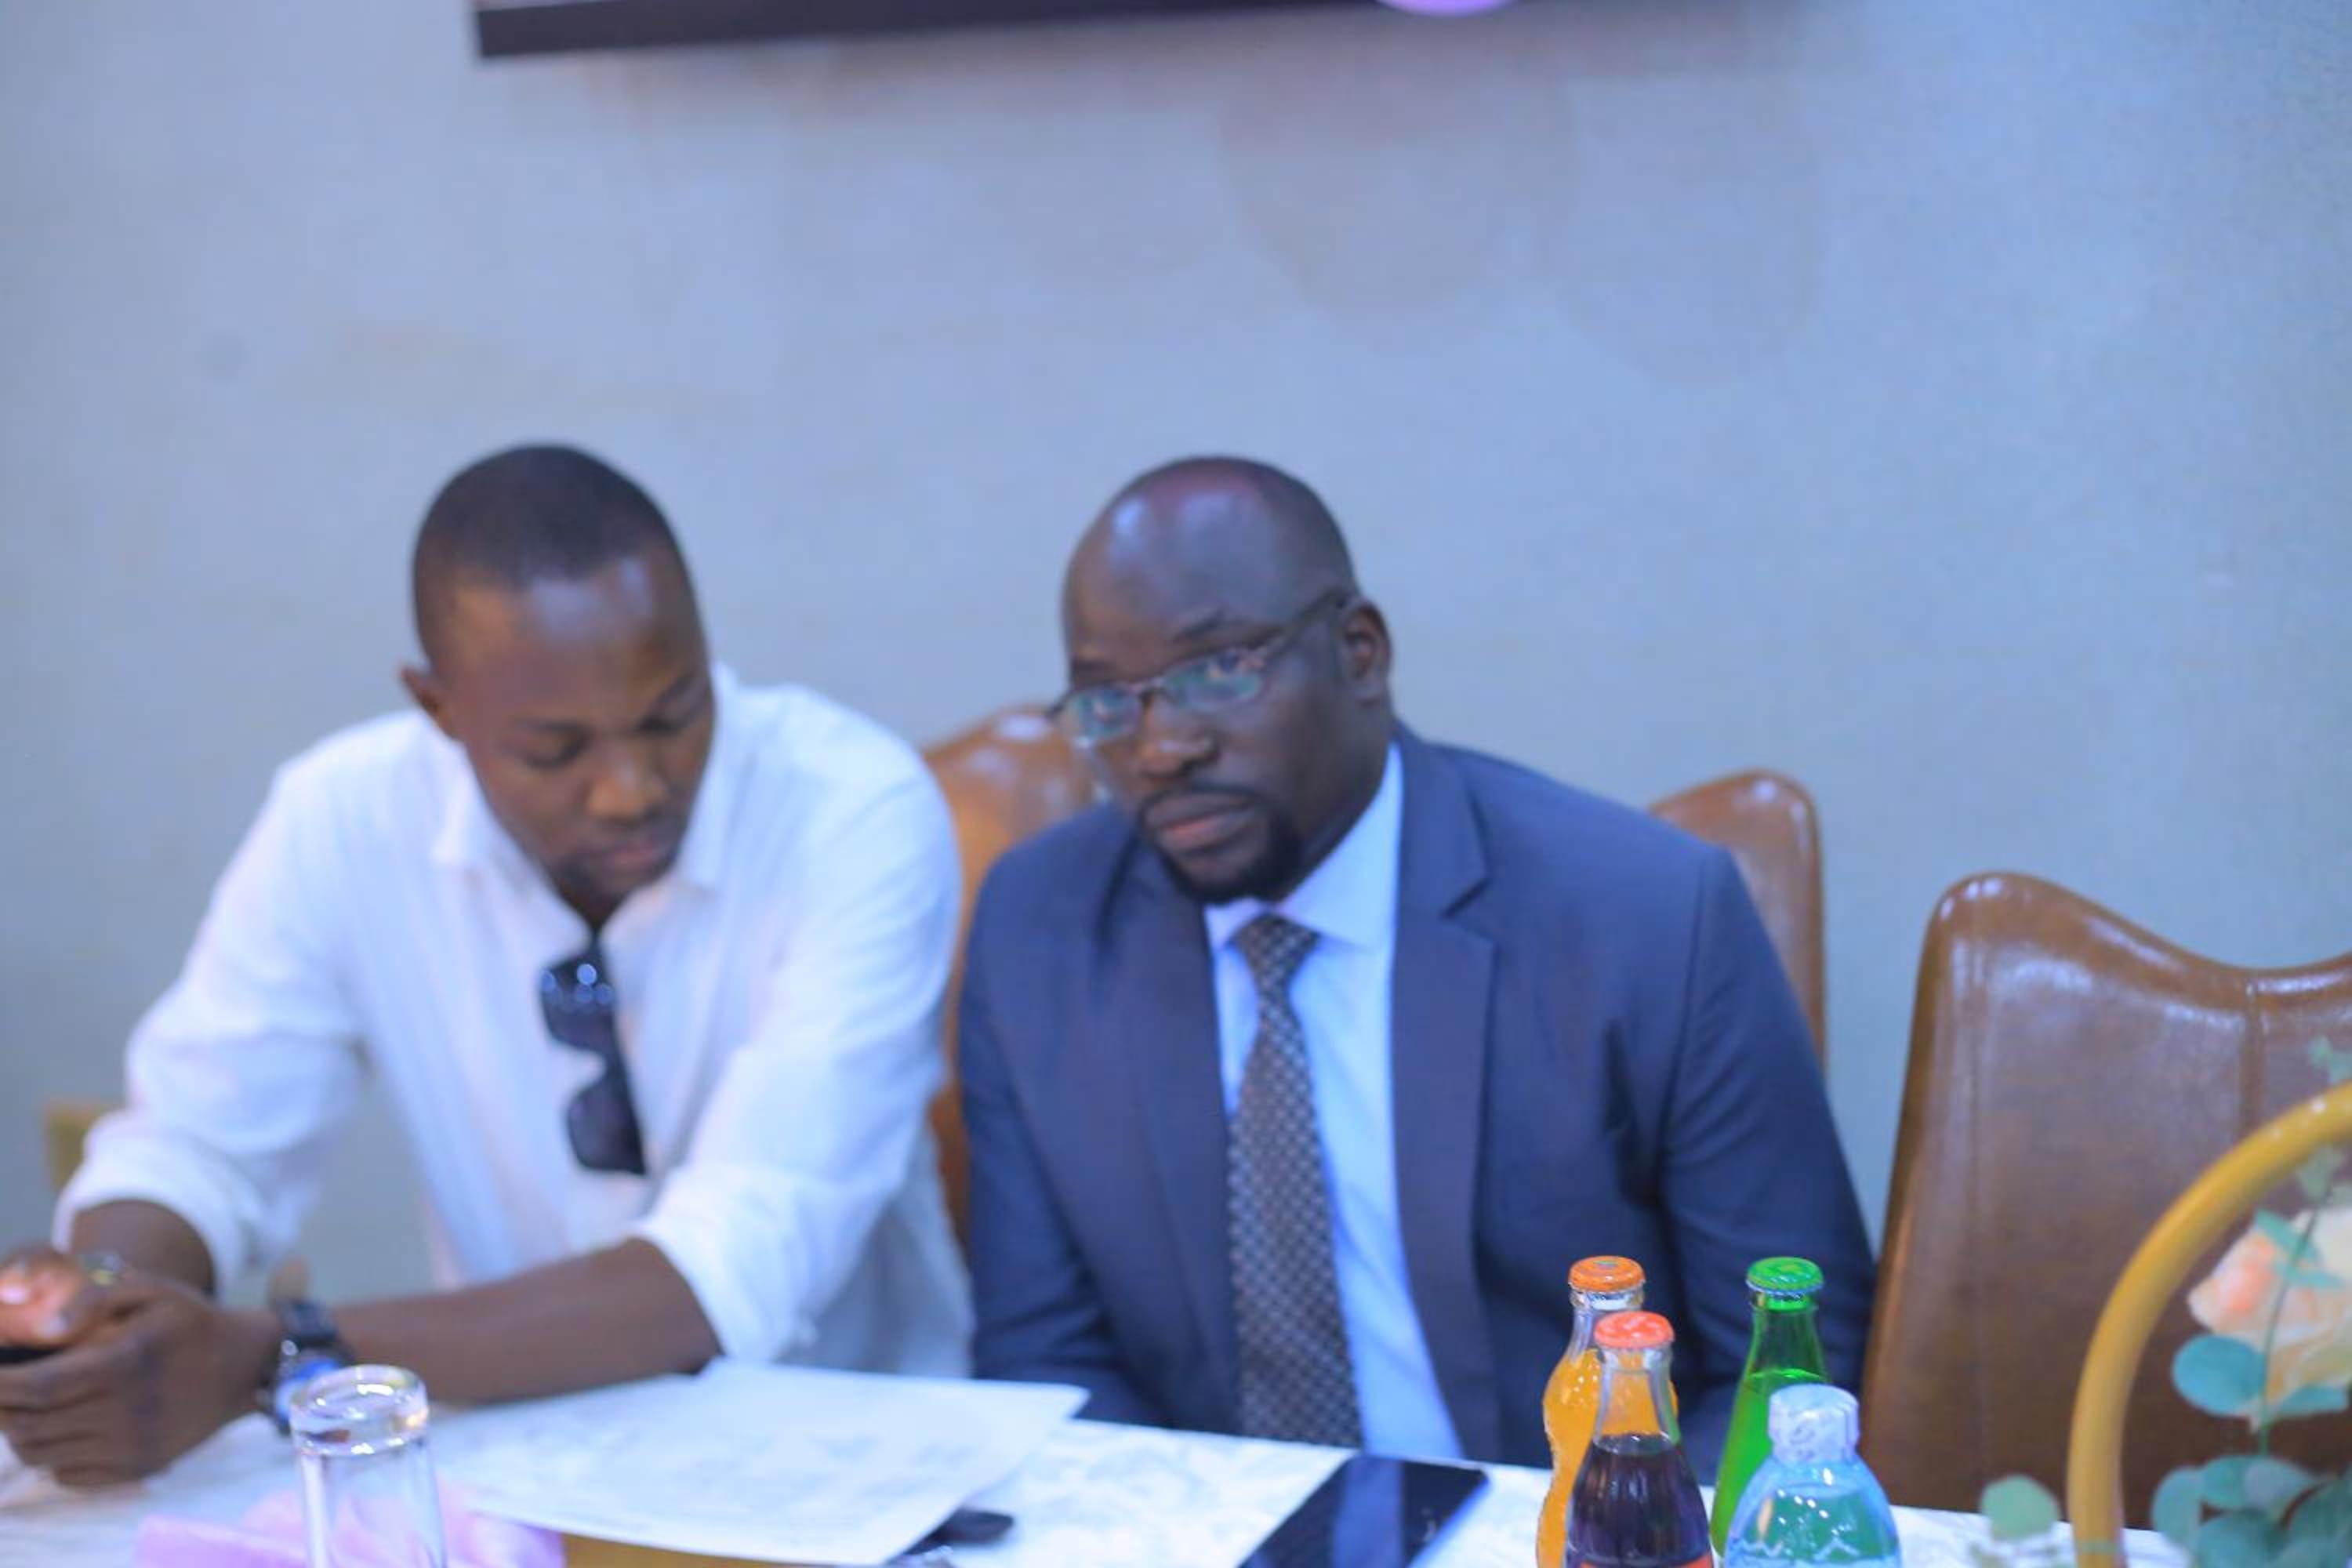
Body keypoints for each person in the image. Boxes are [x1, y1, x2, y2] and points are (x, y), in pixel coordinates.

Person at [0, 445, 967, 1486]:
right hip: (509, 1465)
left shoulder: (851, 811)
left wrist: (274, 1356)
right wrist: (104, 1313)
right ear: (439, 709)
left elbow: (735, 1260)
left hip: (853, 1469)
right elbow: (200, 1144)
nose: (631, 788)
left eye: (675, 715)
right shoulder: (345, 820)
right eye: (557, 750)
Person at [959, 456, 1874, 1468]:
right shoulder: (1041, 930)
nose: (1160, 747)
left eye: (1218, 671)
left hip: (1572, 1519)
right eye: (1106, 701)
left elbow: (1788, 1369)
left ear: (1360, 653)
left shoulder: (1642, 918)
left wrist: (1615, 1531)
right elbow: (1048, 1363)